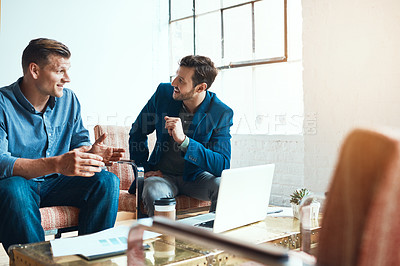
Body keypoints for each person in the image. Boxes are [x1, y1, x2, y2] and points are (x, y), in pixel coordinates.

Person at [0, 38, 125, 251]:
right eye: (60, 71)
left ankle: (92, 257)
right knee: (13, 187)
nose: (67, 78)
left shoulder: (69, 100)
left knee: (106, 181)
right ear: (35, 70)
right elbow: (1, 162)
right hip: (21, 184)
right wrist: (56, 164)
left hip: (58, 183)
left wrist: (90, 153)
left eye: (67, 71)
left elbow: (80, 141)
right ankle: (36, 262)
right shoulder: (3, 103)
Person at [128, 55, 233, 216]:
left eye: (181, 81)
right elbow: (137, 131)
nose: (174, 83)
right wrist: (144, 169)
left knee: (224, 186)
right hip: (162, 176)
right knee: (153, 189)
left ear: (200, 88)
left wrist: (184, 141)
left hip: (196, 178)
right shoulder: (164, 94)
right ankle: (165, 240)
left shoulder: (220, 112)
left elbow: (222, 165)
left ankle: (208, 238)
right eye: (176, 76)